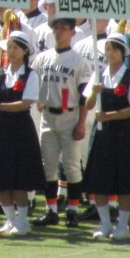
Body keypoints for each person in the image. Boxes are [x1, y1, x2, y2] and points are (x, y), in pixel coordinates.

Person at [83, 33, 130, 241]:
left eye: (114, 49)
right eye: (108, 49)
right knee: (99, 180)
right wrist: (94, 92)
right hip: (102, 134)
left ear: (122, 53)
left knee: (124, 182)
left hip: (124, 134)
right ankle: (105, 223)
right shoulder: (99, 74)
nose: (110, 53)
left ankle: (122, 224)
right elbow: (88, 105)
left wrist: (110, 115)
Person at [31, 17, 91, 228]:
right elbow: (32, 83)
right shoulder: (42, 58)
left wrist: (82, 122)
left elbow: (84, 96)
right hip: (48, 115)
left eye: (63, 28)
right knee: (48, 167)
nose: (59, 32)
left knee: (72, 166)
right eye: (56, 28)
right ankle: (51, 211)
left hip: (70, 116)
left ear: (73, 32)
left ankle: (73, 210)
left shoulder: (79, 61)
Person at [0, 31, 44, 236]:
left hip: (20, 128)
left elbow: (25, 103)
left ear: (25, 51)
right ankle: (10, 220)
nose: (10, 51)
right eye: (8, 47)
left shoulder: (31, 74)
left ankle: (23, 220)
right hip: (2, 128)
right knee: (2, 179)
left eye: (15, 47)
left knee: (19, 179)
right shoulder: (1, 73)